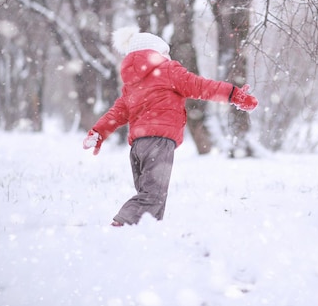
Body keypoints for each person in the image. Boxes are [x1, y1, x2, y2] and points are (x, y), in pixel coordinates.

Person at [83, 27, 258, 226]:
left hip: (138, 146)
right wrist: (234, 94)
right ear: (156, 53)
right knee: (153, 195)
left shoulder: (132, 84)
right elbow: (202, 86)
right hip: (159, 142)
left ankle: (146, 233)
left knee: (149, 195)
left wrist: (98, 132)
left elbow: (117, 112)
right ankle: (122, 224)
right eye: (165, 53)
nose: (168, 56)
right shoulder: (168, 70)